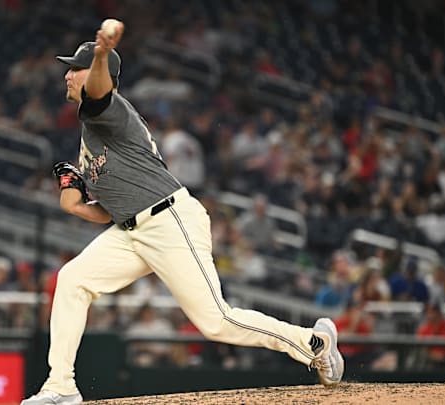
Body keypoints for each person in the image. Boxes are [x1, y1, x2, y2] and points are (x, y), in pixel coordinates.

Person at [21, 21, 343, 405]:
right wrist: (74, 203)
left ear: (97, 74)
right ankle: (61, 387)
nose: (67, 74)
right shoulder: (91, 136)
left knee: (216, 321)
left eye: (75, 67)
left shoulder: (108, 111)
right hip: (132, 229)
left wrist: (103, 52)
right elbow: (106, 212)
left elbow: (98, 90)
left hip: (169, 220)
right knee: (73, 279)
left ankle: (314, 343)